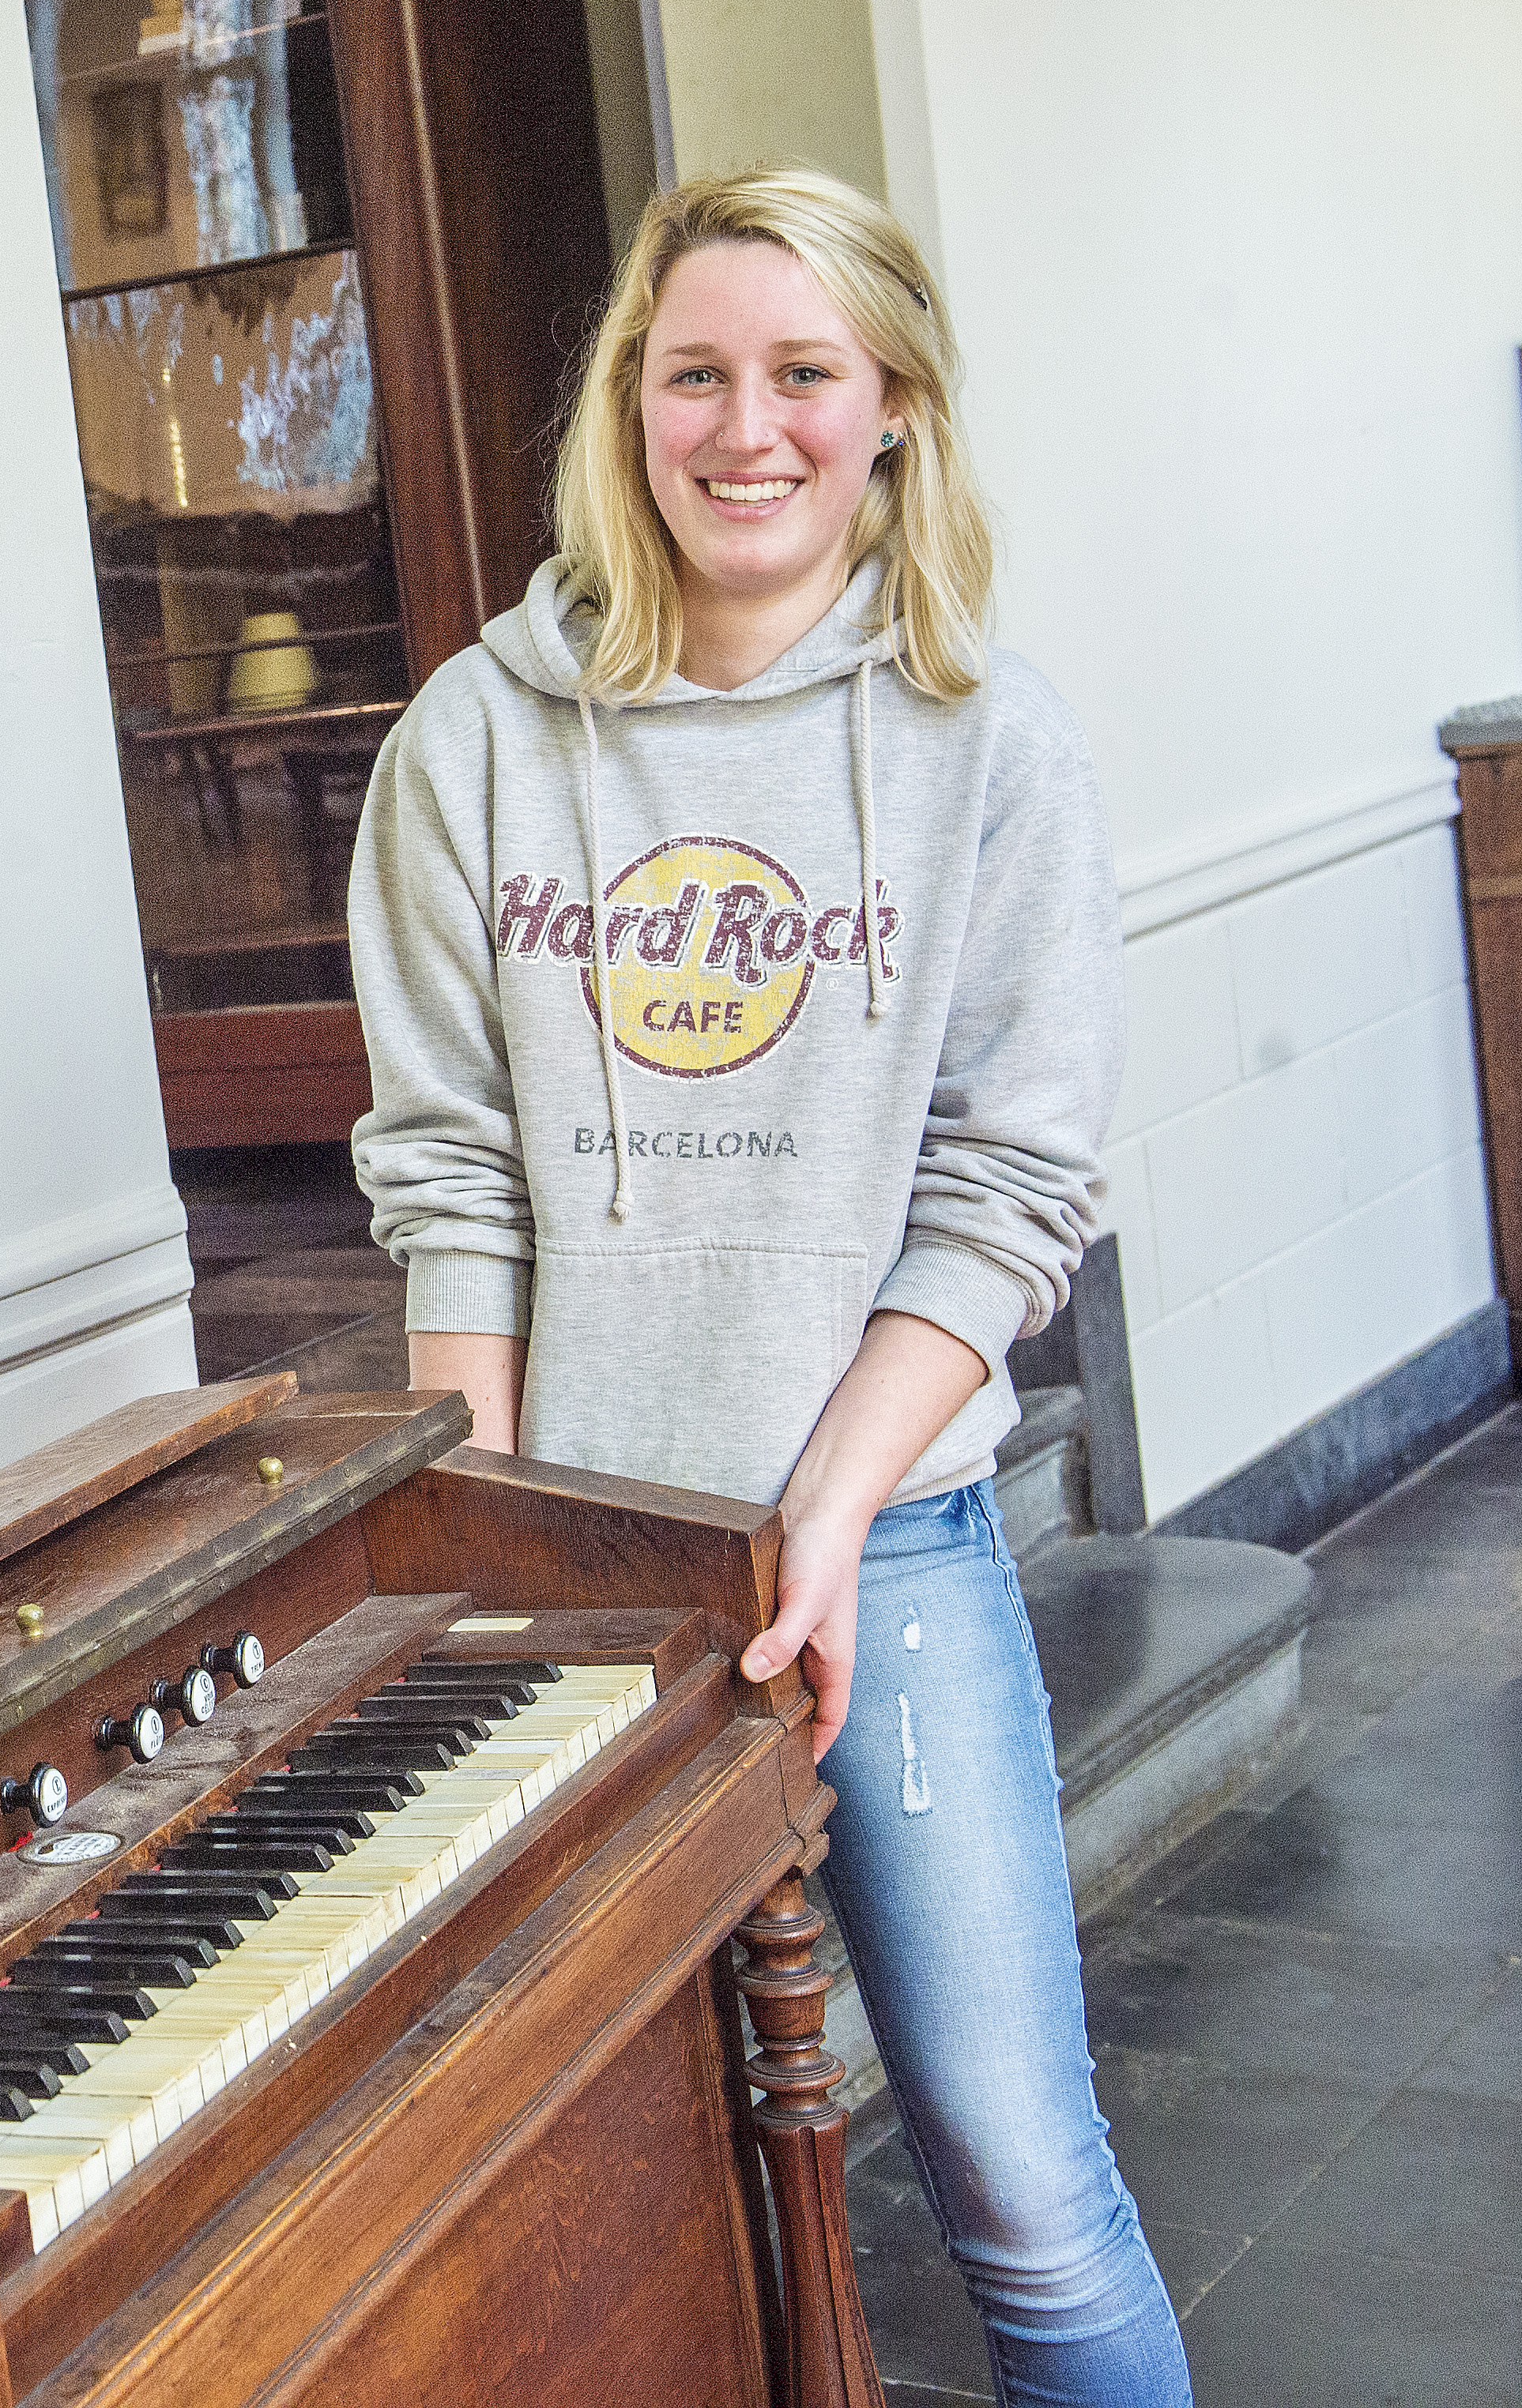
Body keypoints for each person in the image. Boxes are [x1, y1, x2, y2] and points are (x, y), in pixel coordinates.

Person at [345, 165, 1189, 2406]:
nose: (746, 428)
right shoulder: (475, 747)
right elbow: (453, 1181)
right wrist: (504, 1554)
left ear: (892, 406)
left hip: (885, 1556)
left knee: (1016, 2174)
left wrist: (822, 1507)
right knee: (627, 2220)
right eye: (693, 371)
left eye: (803, 373)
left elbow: (1014, 1191)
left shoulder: (993, 748)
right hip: (587, 1582)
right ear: (630, 402)